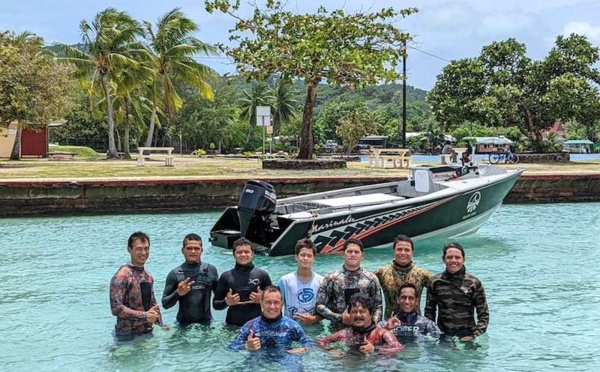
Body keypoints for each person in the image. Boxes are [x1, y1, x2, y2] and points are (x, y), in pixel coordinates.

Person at [425, 242, 489, 343]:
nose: (454, 260)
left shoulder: (474, 283)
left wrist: (475, 334)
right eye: (450, 257)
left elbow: (483, 314)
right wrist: (433, 333)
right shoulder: (435, 282)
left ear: (464, 259)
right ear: (443, 259)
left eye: (457, 257)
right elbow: (429, 311)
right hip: (443, 336)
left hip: (468, 336)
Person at [316, 238, 383, 329]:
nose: (353, 254)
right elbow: (319, 306)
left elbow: (378, 306)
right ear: (343, 254)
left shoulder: (371, 279)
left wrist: (373, 326)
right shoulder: (331, 278)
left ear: (362, 255)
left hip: (365, 331)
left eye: (356, 252)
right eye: (349, 251)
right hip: (337, 330)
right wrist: (340, 318)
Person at [110, 231, 163, 340]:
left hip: (147, 333)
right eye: (139, 249)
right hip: (125, 336)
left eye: (146, 248)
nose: (144, 252)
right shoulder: (122, 276)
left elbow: (153, 305)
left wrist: (161, 325)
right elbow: (116, 308)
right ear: (129, 249)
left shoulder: (148, 276)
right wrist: (145, 316)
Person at [229, 286, 311, 353]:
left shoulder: (292, 326)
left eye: (276, 302)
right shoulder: (250, 326)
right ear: (261, 303)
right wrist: (246, 346)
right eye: (268, 302)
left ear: (282, 304)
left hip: (285, 357)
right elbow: (232, 346)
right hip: (259, 360)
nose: (272, 307)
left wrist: (303, 349)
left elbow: (309, 343)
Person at [316, 293, 403, 355]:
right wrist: (331, 350)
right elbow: (320, 341)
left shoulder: (382, 334)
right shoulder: (344, 334)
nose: (358, 315)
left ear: (371, 314)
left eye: (362, 311)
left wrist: (375, 349)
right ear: (349, 314)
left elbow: (399, 349)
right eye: (354, 312)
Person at [213, 237, 273, 326]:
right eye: (239, 252)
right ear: (233, 254)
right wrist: (227, 302)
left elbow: (274, 303)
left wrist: (261, 300)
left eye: (247, 252)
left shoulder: (262, 275)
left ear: (252, 253)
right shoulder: (226, 276)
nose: (243, 254)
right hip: (232, 326)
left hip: (258, 326)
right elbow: (215, 305)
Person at [162, 233, 219, 325]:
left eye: (196, 248)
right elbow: (165, 304)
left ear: (201, 250)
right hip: (183, 325)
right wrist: (178, 293)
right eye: (189, 248)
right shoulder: (175, 274)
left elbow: (218, 301)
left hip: (206, 324)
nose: (193, 251)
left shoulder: (211, 270)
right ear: (182, 250)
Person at [374, 235, 431, 318]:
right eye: (399, 249)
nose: (403, 253)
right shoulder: (382, 273)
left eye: (407, 250)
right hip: (390, 324)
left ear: (412, 252)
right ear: (394, 251)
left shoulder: (422, 274)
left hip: (416, 325)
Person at [278, 238, 324, 325]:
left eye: (309, 255)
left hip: (315, 331)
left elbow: (326, 310)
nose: (306, 258)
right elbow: (277, 307)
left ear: (314, 258)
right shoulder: (285, 281)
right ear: (296, 257)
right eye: (303, 255)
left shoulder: (321, 281)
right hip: (290, 330)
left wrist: (313, 319)